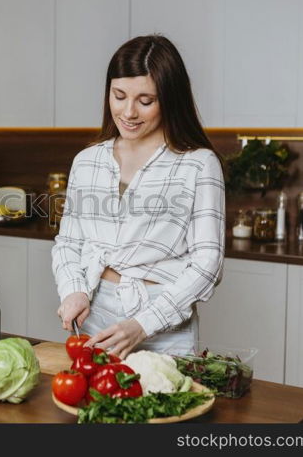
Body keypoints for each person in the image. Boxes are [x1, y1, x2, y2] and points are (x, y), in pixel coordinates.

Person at [51, 35, 225, 359]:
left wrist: (143, 324)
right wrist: (73, 290)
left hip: (162, 321)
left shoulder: (198, 165)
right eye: (119, 96)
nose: (128, 112)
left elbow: (207, 264)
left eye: (145, 101)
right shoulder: (87, 162)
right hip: (95, 316)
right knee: (96, 407)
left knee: (165, 407)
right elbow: (69, 243)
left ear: (169, 100)